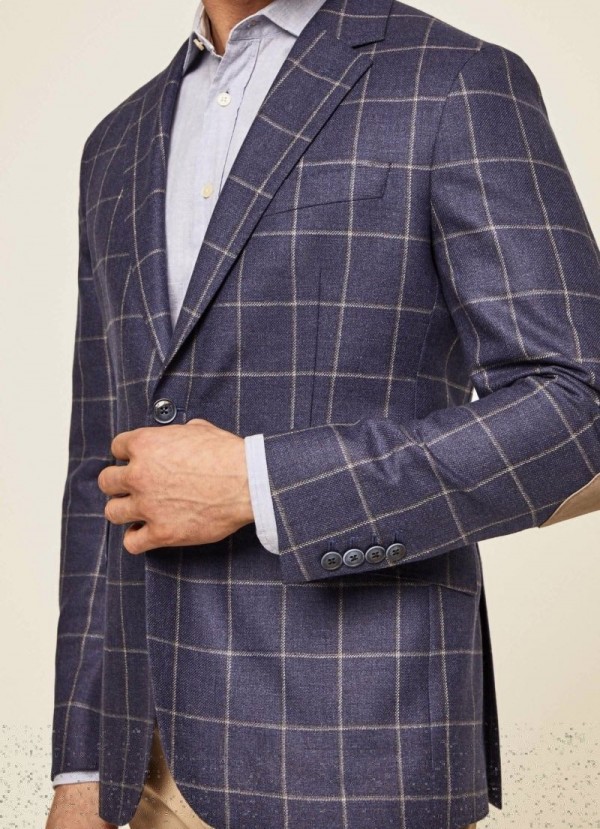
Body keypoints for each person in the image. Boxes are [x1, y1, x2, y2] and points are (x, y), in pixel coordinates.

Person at [46, 0, 600, 827]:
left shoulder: (453, 80)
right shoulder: (116, 144)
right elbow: (102, 471)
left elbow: (580, 405)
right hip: (148, 773)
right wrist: (83, 769)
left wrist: (261, 482)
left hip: (356, 758)